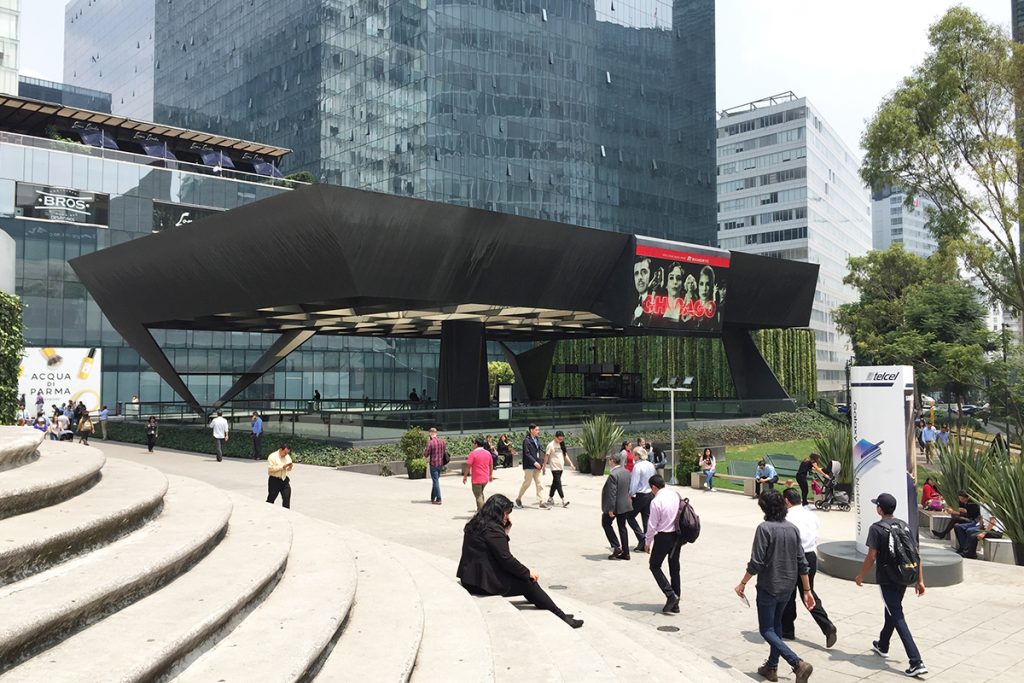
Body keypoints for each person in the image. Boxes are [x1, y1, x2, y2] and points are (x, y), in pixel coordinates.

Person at [456, 494, 583, 629]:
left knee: (523, 580)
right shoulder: (492, 529)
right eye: (505, 513)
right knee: (529, 583)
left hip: (470, 579)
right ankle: (562, 616)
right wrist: (527, 572)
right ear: (498, 512)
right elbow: (506, 558)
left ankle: (553, 609)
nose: (507, 517)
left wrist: (504, 532)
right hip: (482, 584)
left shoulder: (477, 523)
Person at [734, 490, 815, 683]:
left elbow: (756, 562)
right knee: (776, 625)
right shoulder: (792, 528)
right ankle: (771, 667)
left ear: (765, 508)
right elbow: (802, 562)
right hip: (788, 586)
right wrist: (806, 590)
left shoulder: (764, 528)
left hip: (769, 586)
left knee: (766, 630)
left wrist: (742, 583)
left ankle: (797, 663)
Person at [855, 493, 928, 678]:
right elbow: (916, 553)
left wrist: (861, 575)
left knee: (897, 614)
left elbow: (872, 556)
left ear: (880, 509)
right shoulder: (904, 525)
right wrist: (920, 580)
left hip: (888, 578)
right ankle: (883, 644)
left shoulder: (876, 528)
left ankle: (916, 661)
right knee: (892, 609)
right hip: (904, 575)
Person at [780, 488, 837, 647]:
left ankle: (787, 629)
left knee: (788, 593)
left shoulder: (786, 516)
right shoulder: (811, 514)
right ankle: (826, 624)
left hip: (792, 557)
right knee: (808, 591)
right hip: (810, 556)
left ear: (786, 501)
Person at [645, 474, 682, 614]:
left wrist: (648, 542)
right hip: (677, 536)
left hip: (663, 537)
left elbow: (652, 525)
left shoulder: (656, 501)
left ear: (654, 487)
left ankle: (670, 595)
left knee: (654, 565)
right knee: (674, 568)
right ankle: (676, 602)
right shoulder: (674, 494)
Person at [601, 452, 633, 560]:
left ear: (613, 461)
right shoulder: (626, 472)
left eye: (609, 460)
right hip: (624, 504)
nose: (608, 461)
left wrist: (610, 509)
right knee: (622, 527)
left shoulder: (613, 475)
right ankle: (626, 552)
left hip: (615, 506)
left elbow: (612, 493)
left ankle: (616, 546)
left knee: (606, 523)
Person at [626, 448, 656, 552]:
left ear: (638, 455)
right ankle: (647, 542)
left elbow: (634, 483)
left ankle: (642, 538)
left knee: (629, 516)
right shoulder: (650, 465)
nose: (632, 457)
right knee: (646, 518)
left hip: (640, 495)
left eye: (634, 454)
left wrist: (630, 494)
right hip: (650, 493)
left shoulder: (637, 466)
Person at [516, 424, 547, 509]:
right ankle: (518, 499)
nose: (538, 431)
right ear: (531, 430)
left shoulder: (537, 439)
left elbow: (538, 452)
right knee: (527, 483)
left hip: (537, 465)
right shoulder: (526, 440)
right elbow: (526, 454)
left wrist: (541, 463)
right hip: (529, 465)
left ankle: (541, 501)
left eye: (538, 430)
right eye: (537, 430)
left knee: (539, 483)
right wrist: (534, 462)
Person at [543, 430, 573, 508]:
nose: (560, 440)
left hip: (561, 467)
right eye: (559, 439)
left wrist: (570, 463)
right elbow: (546, 456)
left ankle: (550, 498)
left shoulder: (561, 444)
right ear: (555, 437)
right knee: (558, 483)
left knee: (555, 483)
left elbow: (565, 455)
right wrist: (544, 466)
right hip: (554, 467)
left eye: (562, 439)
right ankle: (563, 500)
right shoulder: (551, 445)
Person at [462, 436, 493, 510]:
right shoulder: (488, 453)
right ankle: (480, 510)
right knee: (480, 493)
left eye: (473, 443)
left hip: (477, 478)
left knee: (478, 496)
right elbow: (491, 464)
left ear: (476, 444)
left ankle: (482, 512)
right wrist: (491, 475)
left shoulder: (473, 454)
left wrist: (465, 476)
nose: (472, 445)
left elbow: (468, 466)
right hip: (485, 478)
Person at [423, 427, 446, 505]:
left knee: (435, 481)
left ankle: (439, 498)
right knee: (435, 480)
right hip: (440, 464)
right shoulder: (442, 441)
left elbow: (426, 454)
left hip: (433, 464)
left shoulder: (430, 442)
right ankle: (433, 497)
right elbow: (444, 451)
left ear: (430, 433)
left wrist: (424, 451)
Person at [266, 444, 293, 508]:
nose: (286, 454)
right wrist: (282, 467)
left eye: (287, 453)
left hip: (284, 479)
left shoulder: (287, 456)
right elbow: (270, 469)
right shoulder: (272, 456)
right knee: (271, 499)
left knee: (286, 498)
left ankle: (286, 514)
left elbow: (288, 468)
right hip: (274, 480)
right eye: (285, 452)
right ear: (281, 450)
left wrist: (290, 467)